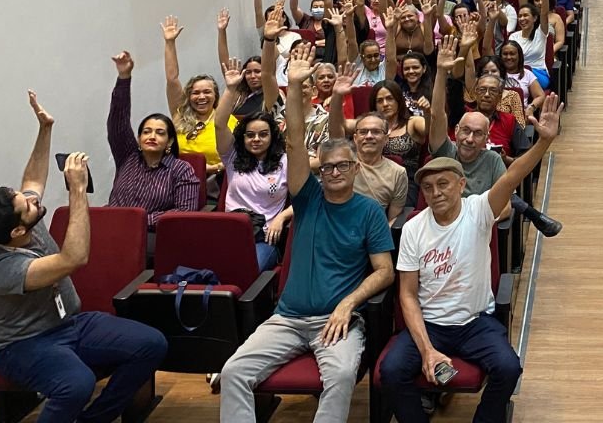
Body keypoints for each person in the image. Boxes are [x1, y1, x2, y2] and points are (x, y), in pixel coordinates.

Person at [219, 46, 396, 422]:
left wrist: (349, 303)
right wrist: (295, 89)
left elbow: (385, 270)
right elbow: (296, 142)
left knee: (343, 374)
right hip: (287, 318)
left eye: (342, 166)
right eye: (328, 167)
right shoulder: (307, 198)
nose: (334, 173)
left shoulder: (368, 212)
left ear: (354, 168)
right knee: (234, 371)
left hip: (336, 320)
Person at [379, 92, 564, 423]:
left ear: (461, 184)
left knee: (509, 369)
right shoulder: (413, 228)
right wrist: (426, 349)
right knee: (390, 373)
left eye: (444, 185)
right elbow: (407, 294)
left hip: (475, 323)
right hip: (430, 324)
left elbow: (512, 176)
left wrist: (543, 143)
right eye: (429, 187)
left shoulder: (478, 210)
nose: (437, 193)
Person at [0, 92, 168, 423]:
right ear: (15, 232)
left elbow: (32, 179)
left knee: (151, 343)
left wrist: (45, 128)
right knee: (76, 384)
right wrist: (76, 190)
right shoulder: (0, 267)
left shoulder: (21, 221)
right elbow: (74, 258)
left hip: (71, 323)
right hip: (22, 346)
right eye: (25, 205)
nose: (32, 200)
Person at [430, 35, 561, 237]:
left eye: (478, 134)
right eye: (465, 131)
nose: (470, 139)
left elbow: (513, 179)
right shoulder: (449, 147)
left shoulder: (492, 157)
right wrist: (440, 72)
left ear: (487, 138)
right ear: (456, 131)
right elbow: (437, 114)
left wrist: (544, 141)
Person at [106, 51, 201, 252]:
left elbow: (184, 212)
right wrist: (124, 78)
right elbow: (118, 123)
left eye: (160, 133)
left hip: (151, 237)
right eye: (146, 132)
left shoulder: (181, 169)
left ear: (170, 141)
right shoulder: (128, 157)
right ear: (139, 139)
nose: (152, 136)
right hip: (112, 228)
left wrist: (138, 220)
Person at [216, 59, 292, 271]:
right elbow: (220, 124)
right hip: (230, 231)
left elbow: (307, 195)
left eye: (262, 134)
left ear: (272, 137)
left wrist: (282, 217)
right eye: (250, 135)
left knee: (243, 270)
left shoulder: (284, 161)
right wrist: (231, 89)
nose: (256, 139)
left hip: (264, 237)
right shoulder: (232, 156)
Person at [327, 66, 409, 223]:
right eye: (364, 132)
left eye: (376, 132)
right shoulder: (344, 162)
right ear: (355, 137)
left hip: (371, 235)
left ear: (386, 139)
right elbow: (335, 131)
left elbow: (392, 221)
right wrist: (337, 95)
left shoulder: (398, 173)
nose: (369, 136)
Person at [162, 15, 233, 184]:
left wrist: (210, 169)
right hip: (174, 179)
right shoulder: (180, 115)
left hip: (215, 182)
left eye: (207, 92)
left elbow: (234, 160)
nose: (201, 97)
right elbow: (172, 79)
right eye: (195, 93)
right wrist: (170, 43)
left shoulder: (224, 119)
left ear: (216, 95)